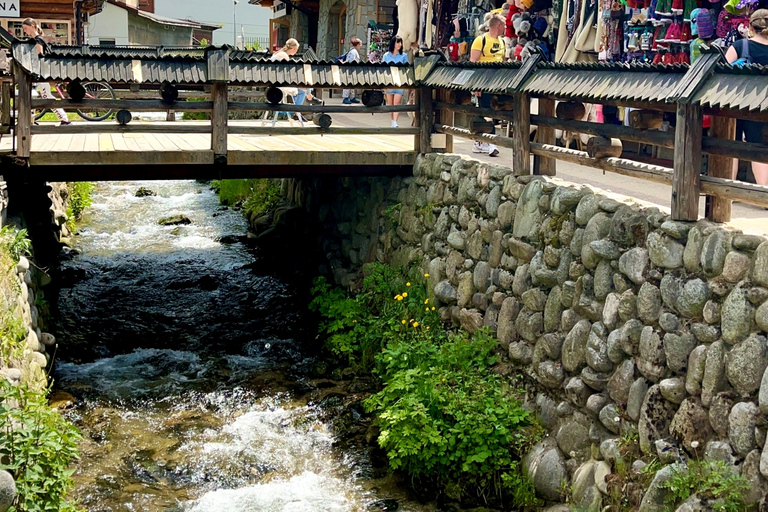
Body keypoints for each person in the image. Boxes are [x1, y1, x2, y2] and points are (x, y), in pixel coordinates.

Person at [725, 9, 768, 186]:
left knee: (732, 146)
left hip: (736, 102)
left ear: (750, 26)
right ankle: (764, 194)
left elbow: (722, 71)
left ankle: (728, 192)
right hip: (762, 105)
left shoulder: (740, 46)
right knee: (758, 148)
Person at [21, 18, 70, 126]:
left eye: (26, 28)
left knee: (46, 96)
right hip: (42, 72)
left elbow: (40, 56)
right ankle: (31, 119)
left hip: (42, 72)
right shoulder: (38, 39)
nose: (25, 31)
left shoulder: (38, 40)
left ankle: (64, 119)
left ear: (32, 27)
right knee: (39, 95)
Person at [469, 14, 505, 157]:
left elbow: (502, 61)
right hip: (483, 81)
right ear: (498, 26)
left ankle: (478, 142)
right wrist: (475, 84)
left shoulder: (502, 42)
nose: (506, 28)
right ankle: (491, 144)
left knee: (489, 112)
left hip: (497, 82)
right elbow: (473, 61)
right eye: (505, 25)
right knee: (487, 111)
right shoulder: (481, 40)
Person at [382, 36, 408, 127]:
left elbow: (406, 70)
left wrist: (406, 84)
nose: (399, 45)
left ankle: (395, 121)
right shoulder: (386, 56)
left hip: (399, 82)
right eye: (398, 42)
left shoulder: (404, 56)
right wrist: (383, 84)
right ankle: (392, 120)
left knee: (397, 102)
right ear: (393, 43)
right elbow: (383, 70)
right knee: (390, 103)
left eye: (400, 43)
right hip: (389, 82)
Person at [342, 38, 363, 104]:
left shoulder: (353, 51)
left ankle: (351, 97)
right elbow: (351, 61)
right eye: (360, 44)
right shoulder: (353, 52)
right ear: (357, 45)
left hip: (352, 70)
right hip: (350, 69)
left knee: (352, 84)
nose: (361, 46)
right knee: (348, 83)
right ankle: (345, 97)